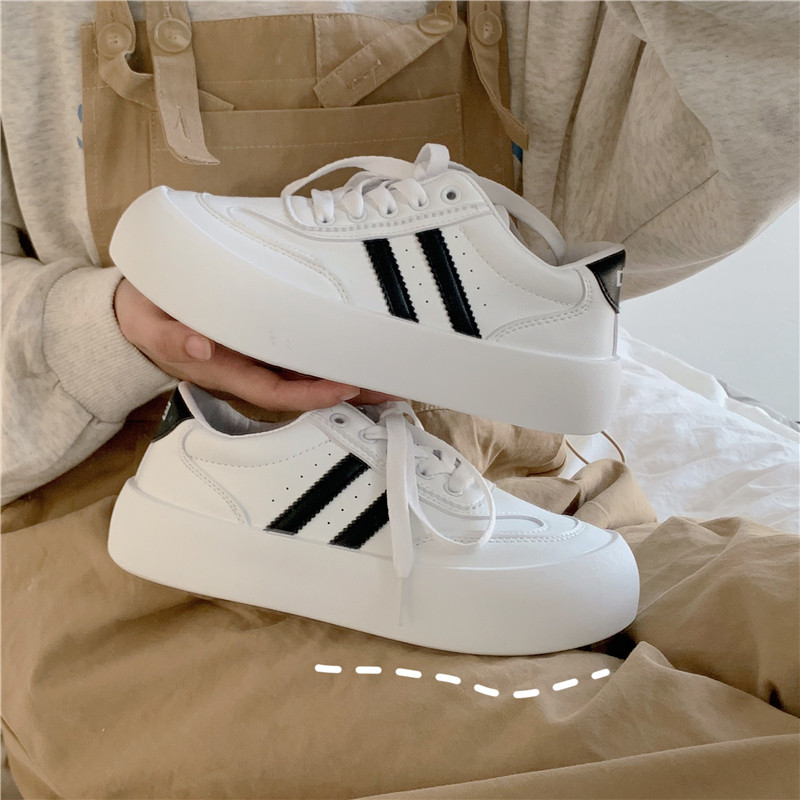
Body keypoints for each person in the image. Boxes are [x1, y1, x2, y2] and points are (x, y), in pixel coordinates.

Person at [2, 2, 798, 798]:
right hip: (152, 547)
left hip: (497, 487)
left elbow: (739, 130)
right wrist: (113, 330)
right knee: (700, 756)